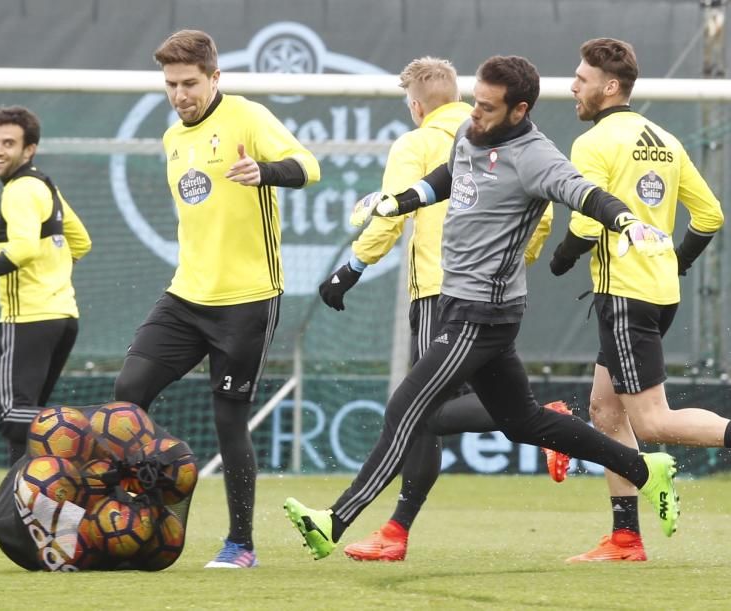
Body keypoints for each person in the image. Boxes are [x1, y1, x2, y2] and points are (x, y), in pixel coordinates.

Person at [284, 55, 682, 561]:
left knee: (408, 408)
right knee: (523, 422)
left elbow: (584, 194)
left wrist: (625, 220)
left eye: (487, 107)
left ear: (518, 110)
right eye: (475, 101)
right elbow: (448, 176)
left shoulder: (535, 156)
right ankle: (646, 469)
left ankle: (333, 521)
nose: (474, 114)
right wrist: (397, 203)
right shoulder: (470, 132)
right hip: (460, 304)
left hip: (483, 315)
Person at [548, 37, 731, 563]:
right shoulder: (664, 138)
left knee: (651, 420)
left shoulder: (594, 143)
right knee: (605, 409)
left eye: (582, 78)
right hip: (658, 292)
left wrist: (560, 258)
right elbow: (709, 216)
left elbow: (583, 216)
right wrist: (675, 260)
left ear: (610, 86)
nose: (574, 85)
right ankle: (625, 538)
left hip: (625, 293)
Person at [318, 56, 566, 562]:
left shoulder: (416, 143)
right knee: (429, 410)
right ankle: (397, 530)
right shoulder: (501, 139)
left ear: (415, 106)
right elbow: (540, 217)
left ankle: (544, 423)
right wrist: (512, 264)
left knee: (422, 411)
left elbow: (391, 213)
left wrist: (350, 270)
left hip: (439, 292)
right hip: (495, 293)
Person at [112, 29, 320, 569]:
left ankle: (240, 545)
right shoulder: (171, 139)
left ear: (214, 77)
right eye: (171, 85)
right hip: (186, 297)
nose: (180, 94)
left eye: (190, 83)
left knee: (229, 421)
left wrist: (264, 172)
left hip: (246, 301)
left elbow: (308, 165)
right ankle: (143, 502)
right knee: (127, 392)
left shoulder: (247, 117)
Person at [0, 106, 91, 465]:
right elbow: (82, 241)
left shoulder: (20, 189)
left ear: (29, 150)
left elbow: (24, 248)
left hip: (28, 317)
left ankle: (99, 431)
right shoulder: (44, 185)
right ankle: (24, 514)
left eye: (8, 143)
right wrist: (51, 275)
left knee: (12, 417)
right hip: (62, 318)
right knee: (28, 430)